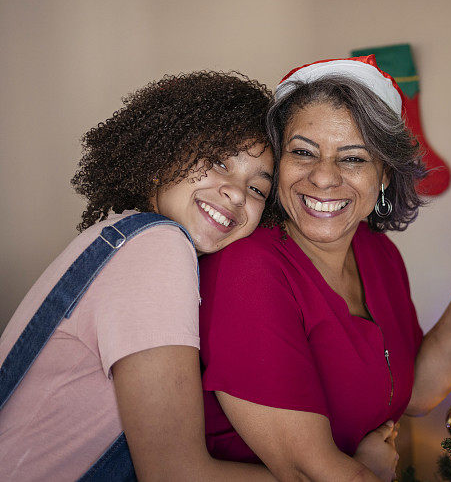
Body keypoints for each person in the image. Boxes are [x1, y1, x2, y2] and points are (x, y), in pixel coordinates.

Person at [199, 56, 451, 481]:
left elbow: (414, 391)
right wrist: (368, 471)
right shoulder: (248, 269)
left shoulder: (377, 252)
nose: (324, 178)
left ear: (384, 174)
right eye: (303, 152)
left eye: (353, 159)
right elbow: (309, 472)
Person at [0, 71, 282, 481]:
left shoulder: (124, 237)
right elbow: (176, 474)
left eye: (258, 189)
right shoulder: (157, 247)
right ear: (165, 151)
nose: (237, 193)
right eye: (219, 162)